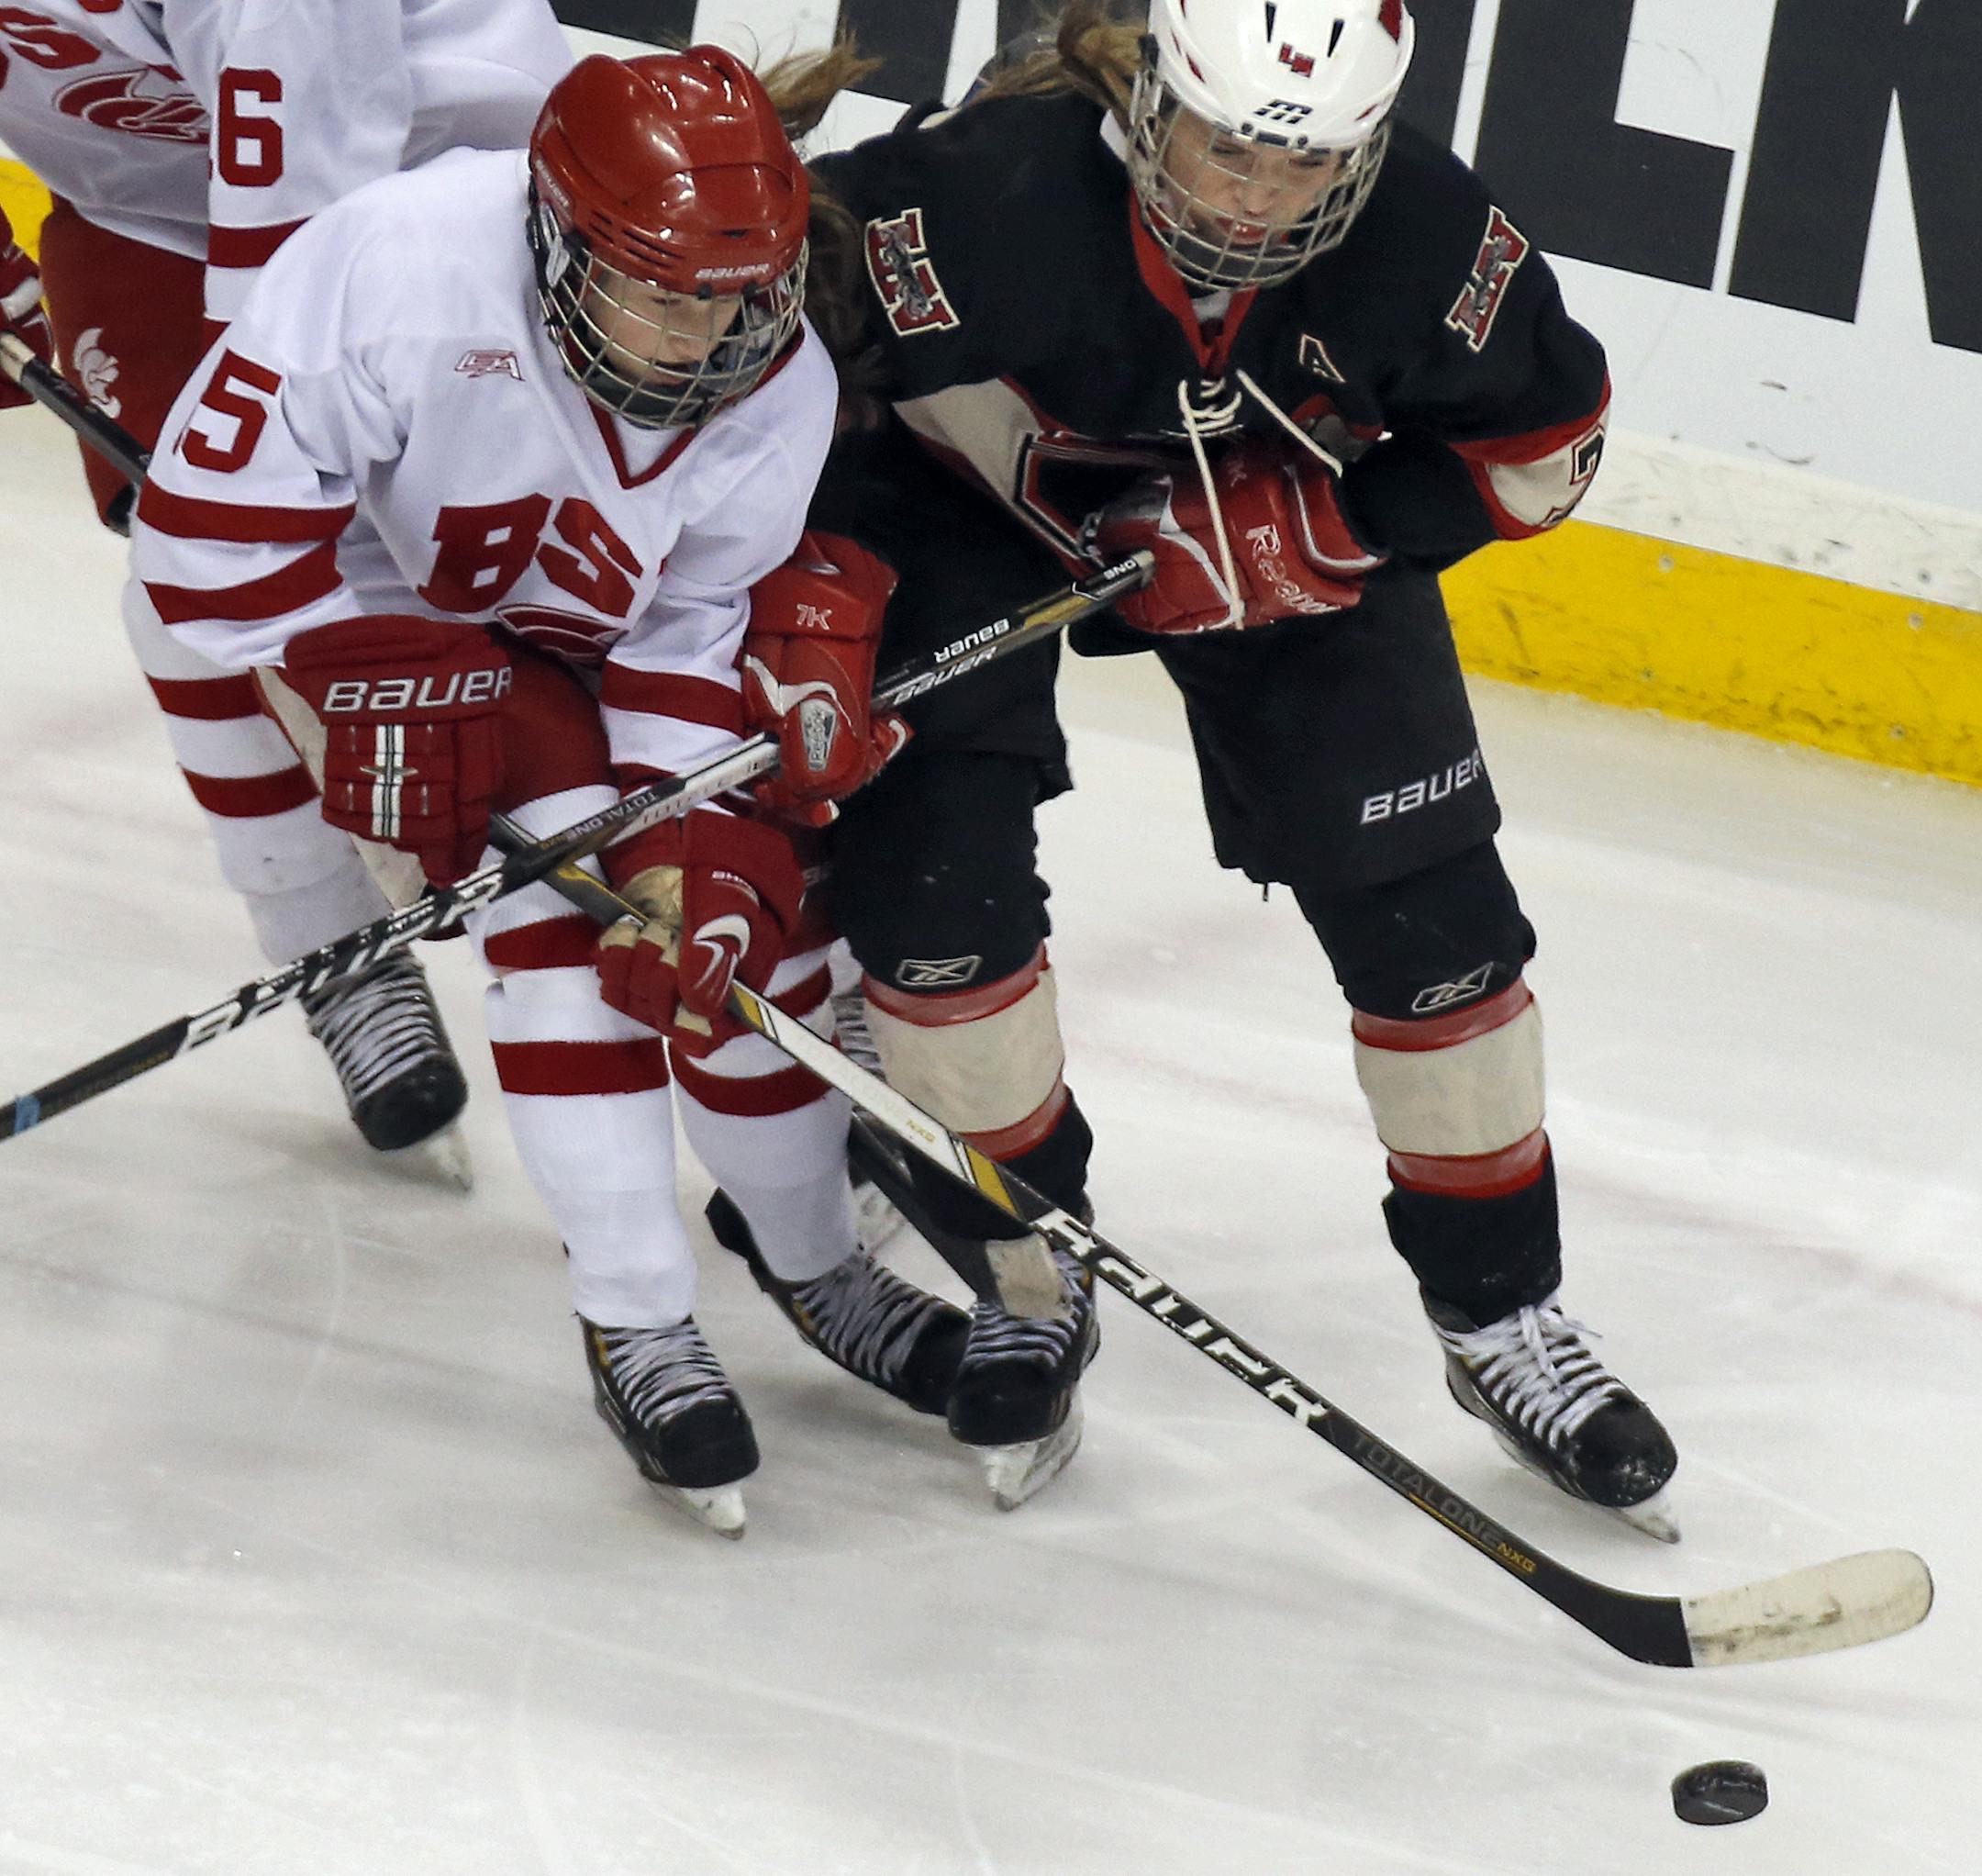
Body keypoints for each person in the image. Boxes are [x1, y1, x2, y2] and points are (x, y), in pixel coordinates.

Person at [749, 0, 1678, 1536]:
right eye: (1230, 143)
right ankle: (1031, 1274)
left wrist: (1336, 531)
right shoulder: (967, 196)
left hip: (1278, 535)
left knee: (1436, 929)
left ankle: (1501, 1314)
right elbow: (782, 373)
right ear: (1149, 101)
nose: (1258, 194)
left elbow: (1547, 444)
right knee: (934, 915)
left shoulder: (1435, 242)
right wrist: (811, 583)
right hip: (960, 520)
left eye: (1305, 163)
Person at [126, 47, 973, 1534]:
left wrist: (677, 828)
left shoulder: (778, 391)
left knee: (730, 943)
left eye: (740, 295)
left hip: (586, 648)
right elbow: (201, 567)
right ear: (553, 234)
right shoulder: (390, 272)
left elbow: (683, 637)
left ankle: (815, 1256)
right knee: (550, 936)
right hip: (363, 609)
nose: (707, 335)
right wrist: (365, 699)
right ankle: (634, 1311)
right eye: (664, 290)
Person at [0, 0, 573, 1164]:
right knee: (188, 582)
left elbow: (307, 259)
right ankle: (330, 944)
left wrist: (306, 593)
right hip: (147, 214)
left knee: (533, 585)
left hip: (449, 189)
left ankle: (803, 970)